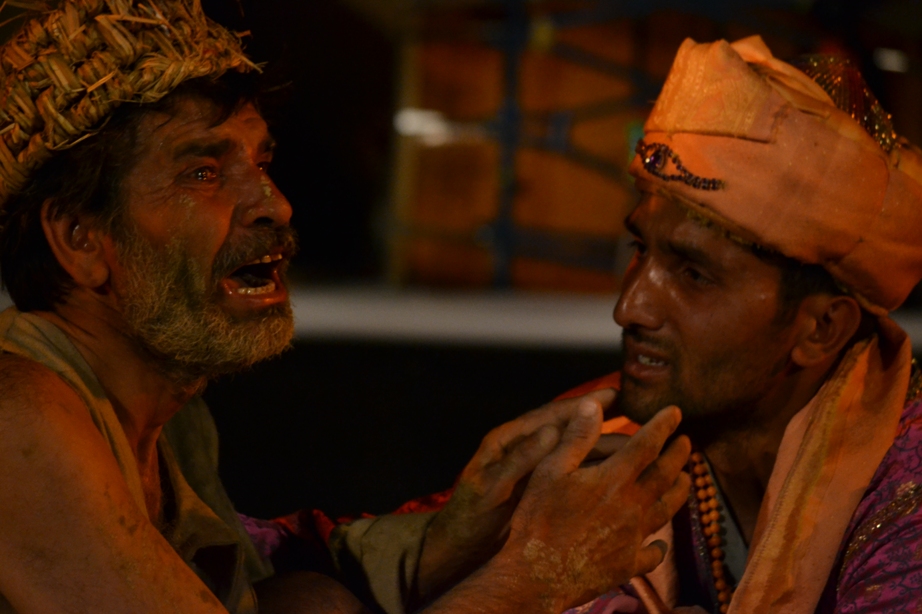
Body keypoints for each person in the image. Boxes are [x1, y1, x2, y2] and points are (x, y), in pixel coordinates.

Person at [0, 1, 692, 613]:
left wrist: (459, 533)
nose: (275, 206)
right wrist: (536, 578)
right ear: (79, 238)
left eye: (260, 164)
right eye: (202, 174)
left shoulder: (173, 423)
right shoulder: (20, 417)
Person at [546, 36, 922, 613]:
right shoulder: (597, 436)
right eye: (640, 250)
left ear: (820, 328)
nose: (630, 307)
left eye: (694, 274)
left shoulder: (908, 480)